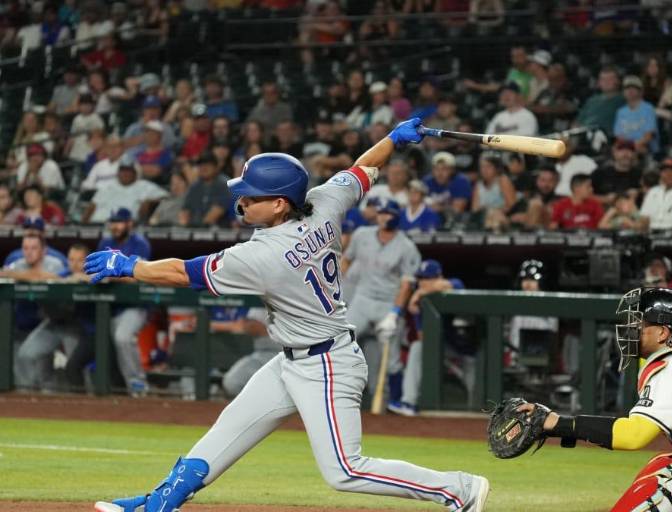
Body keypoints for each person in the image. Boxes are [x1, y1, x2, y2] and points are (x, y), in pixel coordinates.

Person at [87, 119, 490, 512]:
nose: (241, 200)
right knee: (228, 429)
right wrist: (393, 139)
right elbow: (364, 168)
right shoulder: (324, 203)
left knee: (345, 470)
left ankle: (460, 490)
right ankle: (161, 502)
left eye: (252, 196)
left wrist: (130, 265)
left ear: (280, 203)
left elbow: (182, 273)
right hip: (292, 359)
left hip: (327, 364)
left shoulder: (264, 255)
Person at [508, 287, 672, 511]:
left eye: (640, 323)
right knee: (664, 465)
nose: (630, 329)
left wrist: (556, 423)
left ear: (663, 333)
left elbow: (633, 436)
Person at [342, 198, 421, 402]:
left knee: (392, 358)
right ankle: (338, 394)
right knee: (340, 342)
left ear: (397, 217)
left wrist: (395, 314)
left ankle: (395, 404)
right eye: (382, 213)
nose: (385, 217)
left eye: (389, 213)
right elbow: (346, 260)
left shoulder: (406, 246)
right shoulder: (361, 235)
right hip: (363, 298)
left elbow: (406, 284)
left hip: (388, 303)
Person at [388, 259, 464, 417]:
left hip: (462, 347)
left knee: (472, 378)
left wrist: (420, 293)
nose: (422, 282)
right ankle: (409, 402)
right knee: (417, 346)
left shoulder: (453, 284)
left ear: (439, 277)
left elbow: (453, 284)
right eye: (420, 278)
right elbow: (423, 336)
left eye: (427, 278)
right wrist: (421, 296)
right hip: (439, 346)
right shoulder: (420, 301)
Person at [12, 243, 90, 391]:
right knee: (26, 354)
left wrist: (83, 278)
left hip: (80, 327)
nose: (75, 264)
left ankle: (88, 400)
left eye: (80, 260)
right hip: (55, 323)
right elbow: (43, 277)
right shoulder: (65, 274)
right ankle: (44, 397)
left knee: (76, 365)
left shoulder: (95, 274)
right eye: (71, 259)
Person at [96, 208, 151, 395]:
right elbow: (97, 270)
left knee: (123, 337)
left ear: (129, 223)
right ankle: (126, 388)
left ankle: (138, 384)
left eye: (119, 222)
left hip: (135, 304)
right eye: (113, 222)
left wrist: (112, 274)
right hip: (111, 306)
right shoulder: (105, 242)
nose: (115, 226)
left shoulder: (139, 244)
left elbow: (137, 275)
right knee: (109, 345)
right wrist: (118, 273)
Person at [83, 158, 168, 224]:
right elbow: (92, 207)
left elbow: (167, 198)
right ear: (118, 173)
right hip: (97, 225)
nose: (125, 173)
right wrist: (84, 225)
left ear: (135, 173)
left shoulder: (145, 186)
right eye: (122, 170)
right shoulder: (107, 187)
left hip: (126, 228)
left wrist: (149, 202)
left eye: (128, 171)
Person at [179, 152, 231, 227]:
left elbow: (213, 216)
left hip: (219, 232)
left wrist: (195, 230)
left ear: (216, 167)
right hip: (193, 230)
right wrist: (183, 227)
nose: (203, 167)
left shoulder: (225, 184)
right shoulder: (195, 186)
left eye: (207, 164)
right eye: (200, 165)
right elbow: (185, 211)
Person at [613, 76, 659, 154]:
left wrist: (631, 146)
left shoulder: (648, 108)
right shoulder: (620, 112)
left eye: (634, 88)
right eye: (627, 88)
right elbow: (619, 136)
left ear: (641, 91)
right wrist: (626, 147)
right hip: (627, 147)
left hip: (646, 148)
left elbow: (649, 136)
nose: (630, 91)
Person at [575, 66, 625, 136]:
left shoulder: (623, 99)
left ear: (618, 81)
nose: (606, 82)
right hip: (584, 136)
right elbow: (578, 122)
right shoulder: (592, 100)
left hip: (607, 138)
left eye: (610, 79)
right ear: (599, 82)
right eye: (603, 79)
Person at [591, 139, 642, 206]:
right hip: (605, 212)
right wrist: (605, 199)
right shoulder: (600, 173)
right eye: (621, 150)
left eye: (630, 150)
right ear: (614, 153)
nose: (625, 154)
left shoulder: (640, 175)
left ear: (634, 154)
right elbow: (584, 195)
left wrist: (639, 193)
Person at [423, 151, 473, 216]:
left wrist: (438, 208)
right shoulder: (427, 181)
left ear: (452, 170)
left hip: (456, 222)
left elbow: (457, 210)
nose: (439, 173)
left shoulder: (461, 181)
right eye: (436, 169)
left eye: (444, 169)